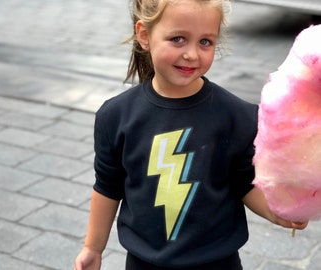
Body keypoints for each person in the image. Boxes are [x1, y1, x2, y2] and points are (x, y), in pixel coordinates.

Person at [74, 0, 308, 269]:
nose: (192, 54)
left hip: (217, 262)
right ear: (144, 35)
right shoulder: (115, 116)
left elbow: (245, 183)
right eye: (178, 39)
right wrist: (93, 247)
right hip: (144, 262)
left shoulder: (237, 116)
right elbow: (107, 187)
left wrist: (277, 211)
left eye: (205, 42)